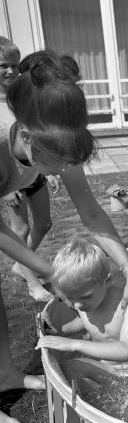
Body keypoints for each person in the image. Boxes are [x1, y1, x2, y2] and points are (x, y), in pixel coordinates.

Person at [0, 50, 128, 423]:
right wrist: (52, 273)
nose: (60, 171)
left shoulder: (53, 131)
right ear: (26, 137)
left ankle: (6, 376)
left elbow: (92, 212)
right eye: (55, 163)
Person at [37, 240, 128, 387]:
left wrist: (74, 344)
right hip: (110, 370)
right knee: (70, 368)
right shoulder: (85, 304)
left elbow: (126, 350)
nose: (77, 305)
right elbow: (87, 323)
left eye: (85, 296)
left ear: (107, 281)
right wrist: (60, 330)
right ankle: (103, 398)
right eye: (69, 298)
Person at [0, 37, 58, 301]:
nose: (11, 71)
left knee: (44, 222)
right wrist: (4, 191)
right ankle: (33, 282)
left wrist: (50, 169)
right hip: (8, 178)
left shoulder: (23, 97)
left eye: (14, 65)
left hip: (32, 171)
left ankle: (22, 264)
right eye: (3, 65)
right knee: (19, 231)